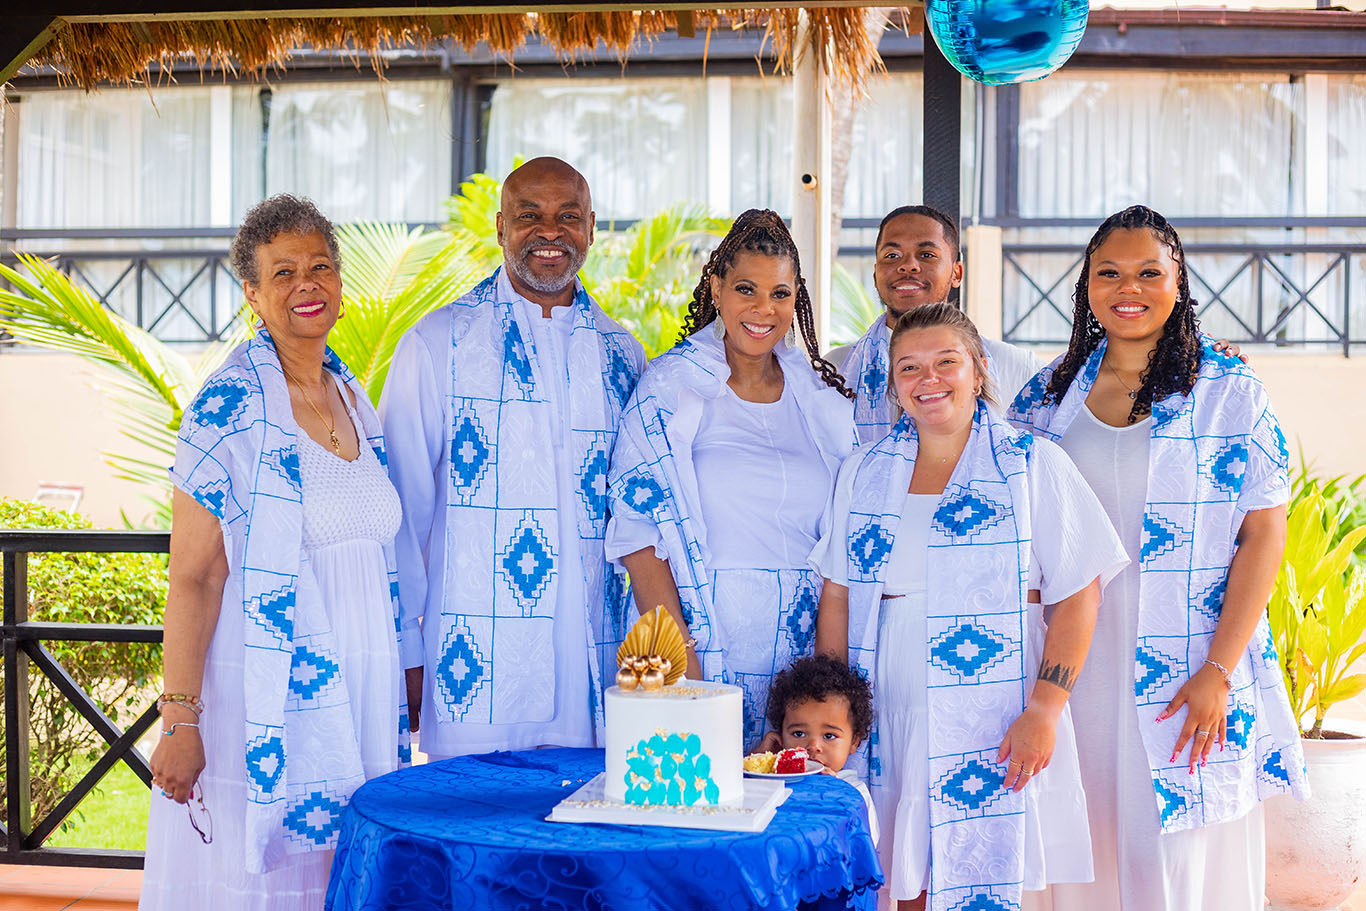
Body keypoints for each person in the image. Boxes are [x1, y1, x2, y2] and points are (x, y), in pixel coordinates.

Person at [1008, 205, 1309, 911]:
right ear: (1086, 285)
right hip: (1073, 665)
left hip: (1190, 662)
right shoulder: (1045, 398)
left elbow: (1263, 535)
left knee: (1171, 854)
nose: (1128, 288)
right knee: (1083, 846)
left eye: (1149, 272)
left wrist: (1218, 670)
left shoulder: (1230, 393)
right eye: (1108, 272)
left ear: (1179, 282)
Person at [812, 302, 1128, 911]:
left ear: (978, 370)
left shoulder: (1032, 464)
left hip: (996, 705)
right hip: (888, 697)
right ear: (893, 383)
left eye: (946, 362)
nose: (928, 379)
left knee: (983, 874)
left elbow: (1079, 592)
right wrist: (831, 710)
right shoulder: (864, 471)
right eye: (909, 367)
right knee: (901, 876)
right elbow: (838, 594)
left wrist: (1045, 710)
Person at [143, 195, 409, 910]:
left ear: (341, 282)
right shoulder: (228, 408)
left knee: (343, 879)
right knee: (270, 886)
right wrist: (180, 719)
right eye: (283, 272)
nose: (306, 285)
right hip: (265, 696)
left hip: (362, 686)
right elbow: (194, 577)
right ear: (253, 295)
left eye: (320, 267)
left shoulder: (353, 398)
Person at [381, 157, 646, 760]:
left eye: (568, 217)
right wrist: (407, 650)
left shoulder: (623, 355)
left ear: (591, 228)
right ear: (501, 227)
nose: (550, 232)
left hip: (594, 665)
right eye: (530, 216)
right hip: (471, 666)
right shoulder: (437, 343)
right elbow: (402, 513)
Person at [606, 209, 856, 746]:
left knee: (786, 788)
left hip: (797, 655)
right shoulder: (670, 388)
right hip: (697, 633)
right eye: (746, 289)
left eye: (780, 294)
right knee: (697, 784)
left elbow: (841, 544)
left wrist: (822, 681)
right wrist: (681, 667)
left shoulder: (819, 398)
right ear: (717, 288)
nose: (764, 309)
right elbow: (638, 537)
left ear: (796, 298)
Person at [832, 206, 1046, 443]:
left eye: (926, 255)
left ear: (957, 273)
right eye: (892, 256)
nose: (908, 266)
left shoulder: (1019, 369)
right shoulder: (836, 371)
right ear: (875, 275)